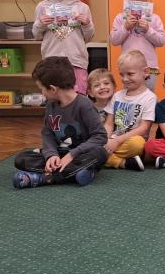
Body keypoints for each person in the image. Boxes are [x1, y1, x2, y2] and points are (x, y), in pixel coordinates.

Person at [13, 56, 107, 188]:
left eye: (42, 88)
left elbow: (100, 136)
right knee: (21, 158)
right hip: (60, 153)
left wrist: (72, 154)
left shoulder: (84, 105)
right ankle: (78, 173)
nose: (42, 93)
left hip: (81, 154)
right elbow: (47, 133)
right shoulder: (50, 105)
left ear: (53, 89)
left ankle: (45, 178)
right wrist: (51, 155)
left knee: (100, 153)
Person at [32, 0, 95, 94]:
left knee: (78, 98)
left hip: (76, 61)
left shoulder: (82, 7)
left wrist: (87, 24)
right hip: (52, 62)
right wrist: (41, 24)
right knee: (54, 98)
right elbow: (36, 35)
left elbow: (88, 37)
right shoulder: (42, 6)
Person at [109, 0, 165, 91]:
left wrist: (148, 30)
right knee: (130, 95)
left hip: (149, 67)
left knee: (148, 96)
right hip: (128, 67)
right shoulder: (120, 18)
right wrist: (125, 27)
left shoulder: (154, 18)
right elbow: (114, 40)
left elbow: (162, 41)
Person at [103, 50, 156, 171]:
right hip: (113, 140)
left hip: (130, 142)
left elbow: (144, 128)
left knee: (137, 144)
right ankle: (122, 162)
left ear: (146, 72)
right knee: (95, 142)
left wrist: (117, 141)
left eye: (130, 74)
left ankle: (104, 157)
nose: (125, 79)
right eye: (122, 75)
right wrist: (106, 140)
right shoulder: (117, 96)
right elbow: (109, 124)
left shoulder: (149, 98)